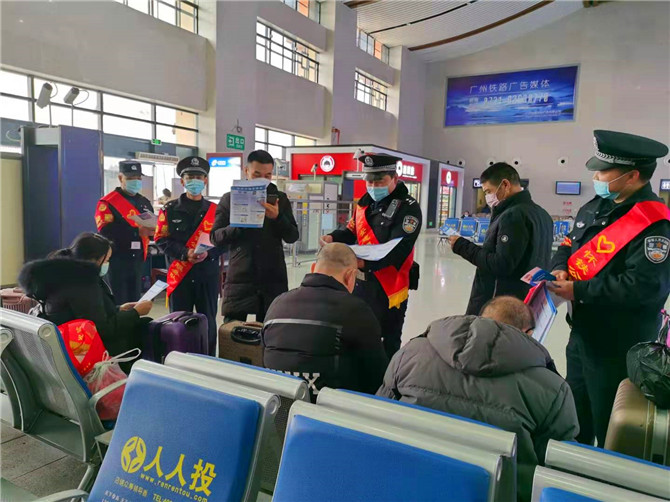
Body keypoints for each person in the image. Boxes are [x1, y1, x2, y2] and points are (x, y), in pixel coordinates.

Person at [377, 296, 579, 502]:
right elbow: (562, 470)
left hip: (408, 485)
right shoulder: (552, 389)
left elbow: (378, 417)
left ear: (480, 319)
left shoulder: (410, 354)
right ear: (528, 334)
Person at [549, 130, 670, 447]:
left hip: (617, 345)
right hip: (581, 335)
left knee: (608, 424)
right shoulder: (595, 206)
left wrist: (579, 291)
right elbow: (567, 244)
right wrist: (560, 266)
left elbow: (644, 288)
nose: (596, 177)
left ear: (632, 176)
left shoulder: (654, 223)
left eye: (603, 171)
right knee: (576, 416)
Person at [323, 153, 421, 359]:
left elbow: (399, 249)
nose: (374, 186)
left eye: (380, 181)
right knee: (360, 333)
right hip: (360, 283)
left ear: (394, 178)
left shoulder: (408, 207)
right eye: (370, 182)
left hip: (389, 286)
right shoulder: (364, 204)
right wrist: (333, 237)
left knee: (388, 341)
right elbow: (351, 231)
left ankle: (386, 377)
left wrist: (364, 263)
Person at [263, 243, 388, 400]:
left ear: (313, 268)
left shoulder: (277, 304)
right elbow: (378, 377)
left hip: (280, 407)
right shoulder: (356, 310)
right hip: (331, 411)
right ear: (350, 276)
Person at [19, 233, 153, 356]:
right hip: (82, 350)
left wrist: (119, 309)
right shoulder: (83, 284)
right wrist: (135, 313)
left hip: (63, 341)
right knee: (147, 327)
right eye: (107, 260)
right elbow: (102, 329)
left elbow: (83, 313)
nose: (107, 264)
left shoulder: (61, 275)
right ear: (94, 260)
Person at [449, 162, 553, 315]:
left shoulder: (513, 215)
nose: (487, 197)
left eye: (488, 191)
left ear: (505, 185)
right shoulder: (542, 214)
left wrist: (462, 246)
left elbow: (501, 264)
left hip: (501, 306)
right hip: (527, 301)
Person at [210, 150, 299, 323]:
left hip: (272, 277)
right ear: (246, 171)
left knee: (270, 330)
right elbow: (215, 237)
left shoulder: (279, 199)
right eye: (257, 174)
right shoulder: (230, 199)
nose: (262, 180)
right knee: (232, 331)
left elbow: (292, 236)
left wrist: (277, 218)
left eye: (268, 175)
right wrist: (239, 224)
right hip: (240, 276)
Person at [154, 156, 223, 355]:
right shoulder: (169, 210)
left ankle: (208, 359)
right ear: (182, 181)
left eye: (199, 177)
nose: (195, 181)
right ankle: (178, 359)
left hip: (207, 276)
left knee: (208, 322)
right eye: (190, 177)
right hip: (180, 275)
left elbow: (224, 241)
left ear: (205, 180)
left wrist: (209, 254)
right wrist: (185, 253)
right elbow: (161, 239)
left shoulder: (216, 211)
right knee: (178, 323)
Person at [95, 160, 154, 304]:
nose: (135, 181)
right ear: (121, 178)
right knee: (119, 299)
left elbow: (152, 223)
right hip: (117, 258)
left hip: (138, 258)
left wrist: (153, 231)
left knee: (135, 299)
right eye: (131, 178)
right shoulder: (108, 202)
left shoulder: (144, 202)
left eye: (138, 178)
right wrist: (136, 231)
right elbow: (105, 231)